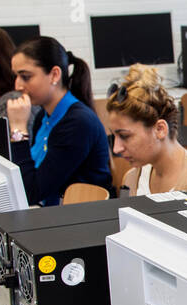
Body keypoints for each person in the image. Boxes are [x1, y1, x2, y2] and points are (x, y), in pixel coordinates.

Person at [6, 36, 111, 206]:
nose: (17, 85)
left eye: (25, 77)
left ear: (54, 74)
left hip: (80, 218)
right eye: (16, 76)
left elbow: (30, 192)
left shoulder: (77, 123)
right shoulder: (43, 116)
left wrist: (18, 129)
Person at [104, 65, 187, 204]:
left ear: (159, 129)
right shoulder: (132, 179)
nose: (116, 148)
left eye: (125, 136)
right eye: (114, 137)